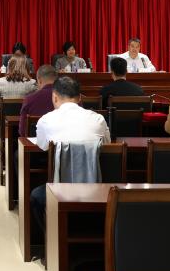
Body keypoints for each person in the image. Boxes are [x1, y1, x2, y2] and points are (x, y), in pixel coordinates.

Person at [30, 77, 110, 253]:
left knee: (36, 196)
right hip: (98, 188)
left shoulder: (46, 120)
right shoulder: (98, 119)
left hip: (60, 190)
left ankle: (53, 244)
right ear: (80, 98)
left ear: (54, 97)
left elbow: (43, 147)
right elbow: (107, 146)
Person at [0, 56, 38, 135]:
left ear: (9, 67)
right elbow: (36, 103)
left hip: (5, 120)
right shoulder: (32, 83)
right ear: (26, 67)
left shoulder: (1, 82)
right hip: (26, 121)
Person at [20, 65, 58, 136]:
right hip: (63, 142)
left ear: (39, 81)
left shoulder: (29, 99)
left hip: (34, 142)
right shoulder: (69, 99)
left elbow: (22, 131)